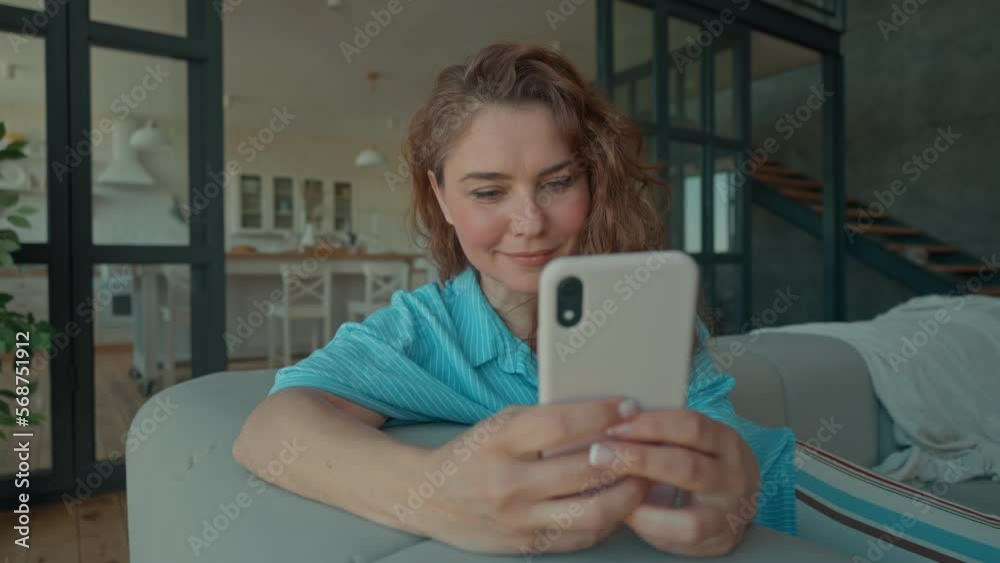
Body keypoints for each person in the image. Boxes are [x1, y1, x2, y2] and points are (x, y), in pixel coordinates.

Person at [233, 42, 796, 557]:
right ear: (442, 197)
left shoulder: (638, 304)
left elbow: (723, 434)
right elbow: (270, 429)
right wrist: (435, 493)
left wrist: (729, 493)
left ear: (592, 183)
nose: (529, 223)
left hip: (804, 492)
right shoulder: (424, 331)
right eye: (488, 191)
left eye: (557, 183)